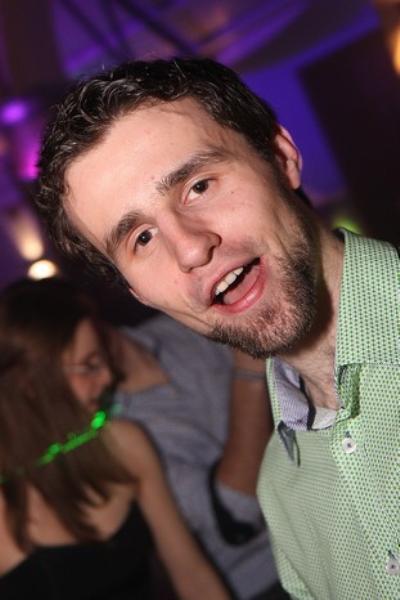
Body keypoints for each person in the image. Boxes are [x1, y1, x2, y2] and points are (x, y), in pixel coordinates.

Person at [36, 58, 400, 599]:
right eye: (141, 239)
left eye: (198, 185)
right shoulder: (282, 491)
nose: (189, 248)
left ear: (281, 157)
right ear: (138, 293)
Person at [0, 277, 231, 600]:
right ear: (29, 383)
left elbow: (192, 575)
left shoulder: (123, 444)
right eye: (89, 365)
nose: (108, 376)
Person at [108, 313, 284, 600]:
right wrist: (250, 373)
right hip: (262, 579)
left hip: (327, 520)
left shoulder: (179, 324)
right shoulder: (113, 433)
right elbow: (238, 515)